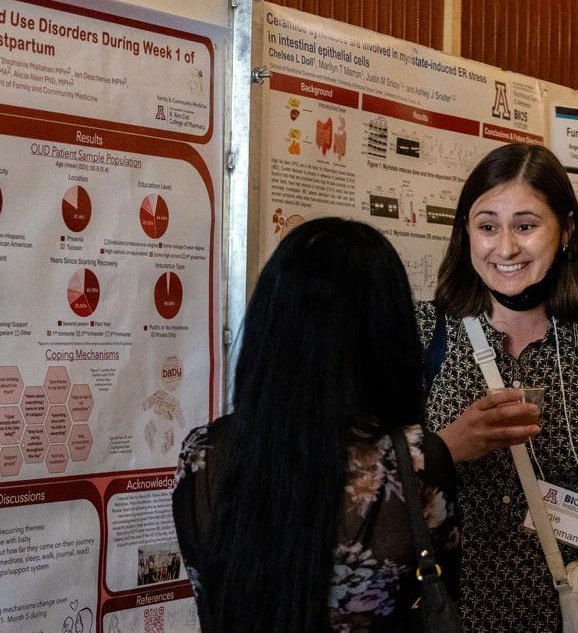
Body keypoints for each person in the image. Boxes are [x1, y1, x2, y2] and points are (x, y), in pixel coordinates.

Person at [418, 143, 578, 632]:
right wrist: (448, 447)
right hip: (450, 613)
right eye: (487, 225)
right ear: (465, 234)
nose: (506, 247)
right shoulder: (420, 335)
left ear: (566, 231)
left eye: (526, 225)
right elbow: (369, 485)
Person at [172, 218, 460, 633]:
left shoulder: (203, 454)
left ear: (269, 325)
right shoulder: (417, 460)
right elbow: (440, 594)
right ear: (388, 334)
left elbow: (211, 602)